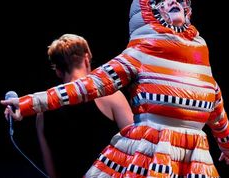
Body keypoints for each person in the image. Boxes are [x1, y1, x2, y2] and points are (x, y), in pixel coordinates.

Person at [3, 0, 229, 177]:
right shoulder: (140, 54)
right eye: (160, 1)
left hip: (194, 159)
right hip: (154, 153)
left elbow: (216, 110)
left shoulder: (201, 62)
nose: (172, 2)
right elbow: (89, 85)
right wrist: (27, 103)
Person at [7, 34, 134, 178]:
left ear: (58, 71)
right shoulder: (110, 95)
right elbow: (136, 145)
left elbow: (51, 172)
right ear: (86, 59)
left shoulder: (43, 112)